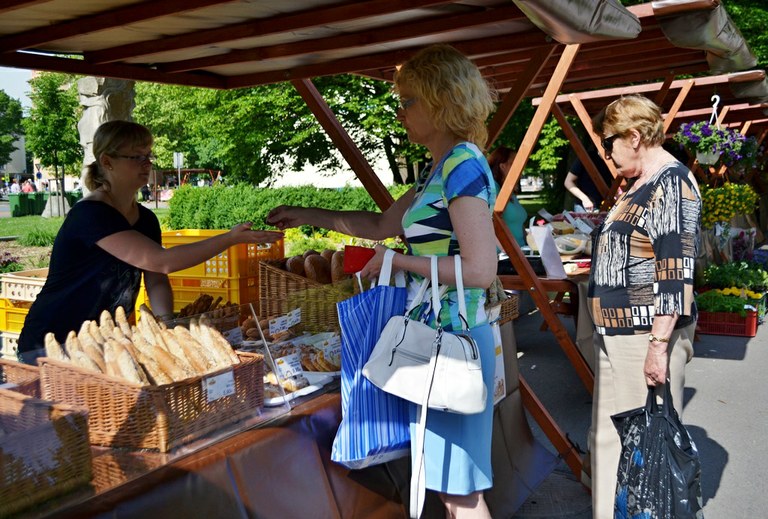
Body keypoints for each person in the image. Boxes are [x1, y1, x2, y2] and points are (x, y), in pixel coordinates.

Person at [268, 44, 498, 518]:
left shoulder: (462, 166)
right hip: (434, 338)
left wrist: (398, 262)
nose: (400, 113)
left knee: (459, 491)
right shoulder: (439, 169)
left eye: (408, 101)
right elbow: (379, 226)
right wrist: (305, 213)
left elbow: (480, 270)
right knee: (446, 485)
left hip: (454, 340)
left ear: (440, 100)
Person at [17, 121, 282, 363]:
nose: (147, 164)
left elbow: (156, 280)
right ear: (107, 161)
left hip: (106, 341)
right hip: (53, 340)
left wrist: (165, 326)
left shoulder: (145, 219)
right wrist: (230, 239)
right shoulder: (91, 214)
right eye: (137, 157)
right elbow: (160, 261)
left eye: (148, 156)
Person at [587, 95, 701, 518]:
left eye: (608, 143)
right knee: (609, 443)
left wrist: (658, 344)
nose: (606, 153)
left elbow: (675, 269)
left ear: (633, 136)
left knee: (642, 456)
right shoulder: (639, 183)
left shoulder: (672, 181)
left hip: (643, 334)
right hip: (617, 332)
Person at [487, 145, 527, 247]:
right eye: (515, 163)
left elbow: (518, 223)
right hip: (504, 254)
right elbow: (487, 224)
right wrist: (507, 251)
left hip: (520, 250)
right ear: (502, 166)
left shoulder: (508, 190)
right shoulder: (492, 188)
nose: (521, 168)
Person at [563, 146, 614, 211]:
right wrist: (585, 199)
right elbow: (568, 181)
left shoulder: (612, 160)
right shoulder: (586, 157)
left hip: (604, 206)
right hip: (584, 207)